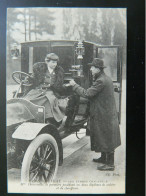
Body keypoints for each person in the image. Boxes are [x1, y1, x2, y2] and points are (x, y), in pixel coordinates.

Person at [68, 58, 121, 171]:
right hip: (105, 112)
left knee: (106, 137)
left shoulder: (101, 81)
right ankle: (103, 158)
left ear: (98, 69)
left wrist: (74, 85)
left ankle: (110, 164)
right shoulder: (105, 78)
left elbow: (87, 93)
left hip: (104, 113)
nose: (91, 69)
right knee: (103, 135)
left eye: (92, 67)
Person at [24, 53, 78, 124]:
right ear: (47, 62)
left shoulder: (58, 72)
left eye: (55, 62)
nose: (55, 64)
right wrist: (27, 80)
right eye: (53, 62)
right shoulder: (39, 69)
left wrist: (67, 85)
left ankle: (47, 119)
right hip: (37, 90)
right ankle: (30, 118)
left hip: (49, 91)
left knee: (48, 101)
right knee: (27, 100)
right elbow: (32, 79)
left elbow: (59, 86)